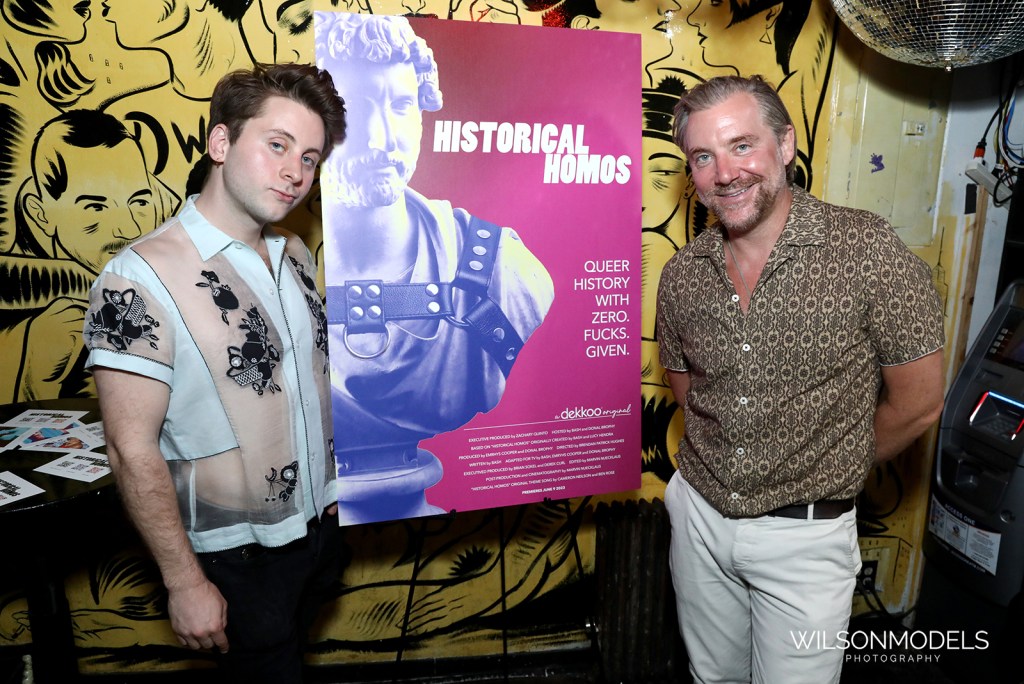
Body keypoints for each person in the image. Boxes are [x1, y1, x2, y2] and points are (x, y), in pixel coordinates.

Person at [656, 75, 945, 684]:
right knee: (712, 678)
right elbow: (690, 396)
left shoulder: (866, 250)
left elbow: (920, 403)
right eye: (703, 157)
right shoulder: (682, 274)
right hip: (699, 520)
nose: (724, 173)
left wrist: (829, 462)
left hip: (807, 539)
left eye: (742, 146)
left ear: (785, 145)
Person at [83, 63, 347, 682]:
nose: (295, 172)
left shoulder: (295, 253)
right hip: (233, 560)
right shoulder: (137, 278)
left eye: (309, 158)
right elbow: (129, 449)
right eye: (277, 145)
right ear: (221, 142)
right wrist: (184, 582)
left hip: (319, 533)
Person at [316, 13, 554, 525]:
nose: (381, 138)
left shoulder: (499, 266)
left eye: (402, 106)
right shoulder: (278, 265)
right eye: (354, 107)